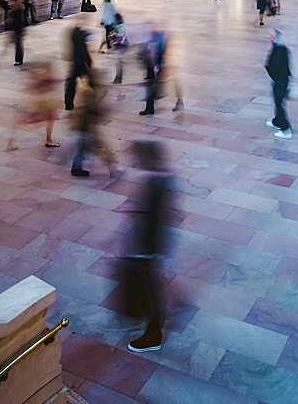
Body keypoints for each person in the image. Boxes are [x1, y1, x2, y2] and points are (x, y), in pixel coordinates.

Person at [121, 140, 172, 354]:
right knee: (152, 286)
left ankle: (153, 335)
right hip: (152, 247)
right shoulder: (161, 179)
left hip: (148, 248)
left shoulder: (155, 184)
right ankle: (150, 326)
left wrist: (143, 251)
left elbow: (154, 220)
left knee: (152, 289)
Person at [70, 73, 116, 178]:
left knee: (81, 149)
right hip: (86, 127)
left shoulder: (83, 89)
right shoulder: (88, 92)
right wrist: (102, 95)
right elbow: (94, 108)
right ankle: (112, 168)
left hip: (80, 126)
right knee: (99, 148)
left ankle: (76, 168)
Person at [265, 29, 292, 138]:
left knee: (279, 104)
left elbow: (273, 65)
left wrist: (269, 69)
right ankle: (277, 121)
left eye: (272, 36)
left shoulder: (279, 50)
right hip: (280, 80)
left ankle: (286, 130)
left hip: (280, 81)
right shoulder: (281, 48)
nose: (270, 37)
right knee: (277, 102)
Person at [140, 30, 167, 116]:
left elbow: (156, 54)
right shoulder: (158, 38)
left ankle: (149, 109)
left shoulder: (157, 39)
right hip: (152, 66)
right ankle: (149, 108)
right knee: (150, 87)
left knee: (150, 88)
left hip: (153, 67)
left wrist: (156, 66)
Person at [65, 26, 92, 111]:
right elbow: (84, 51)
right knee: (89, 82)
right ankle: (92, 102)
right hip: (80, 64)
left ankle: (68, 104)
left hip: (75, 62)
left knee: (71, 84)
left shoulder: (74, 36)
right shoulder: (80, 40)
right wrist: (89, 61)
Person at [11, 0, 27, 66]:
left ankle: (19, 60)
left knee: (18, 44)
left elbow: (19, 18)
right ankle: (19, 59)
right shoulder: (19, 5)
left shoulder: (19, 6)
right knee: (18, 44)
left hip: (18, 27)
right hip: (17, 27)